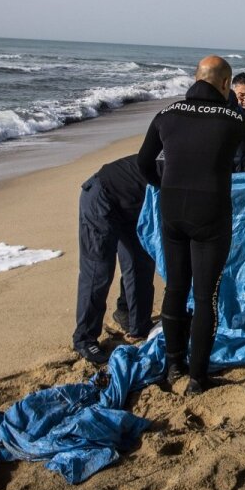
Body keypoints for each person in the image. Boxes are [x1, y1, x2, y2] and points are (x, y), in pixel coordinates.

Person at [137, 56, 245, 394]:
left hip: (172, 212)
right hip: (210, 215)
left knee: (176, 290)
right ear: (225, 85)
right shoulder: (233, 118)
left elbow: (144, 163)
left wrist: (164, 187)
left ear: (195, 79)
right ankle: (197, 377)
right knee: (205, 295)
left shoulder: (166, 115)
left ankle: (173, 363)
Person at [72, 155, 156, 365]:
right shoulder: (179, 163)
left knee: (141, 262)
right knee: (98, 271)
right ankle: (84, 338)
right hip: (101, 197)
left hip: (132, 206)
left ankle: (134, 322)